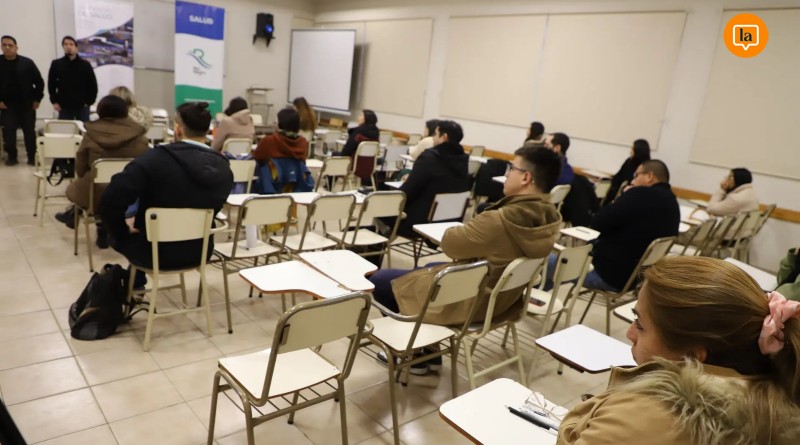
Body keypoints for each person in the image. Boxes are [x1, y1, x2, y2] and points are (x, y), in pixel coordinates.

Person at [557, 256, 800, 444]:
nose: (630, 334)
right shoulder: (776, 403)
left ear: (692, 357)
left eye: (640, 325)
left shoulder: (644, 418)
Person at [370, 145, 562, 373]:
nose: (507, 173)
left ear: (526, 178)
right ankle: (428, 351)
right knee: (430, 266)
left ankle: (413, 354)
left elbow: (451, 245)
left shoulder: (498, 220)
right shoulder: (550, 218)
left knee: (379, 280)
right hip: (504, 301)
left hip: (473, 302)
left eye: (511, 168)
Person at [99, 102, 232, 275]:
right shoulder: (224, 168)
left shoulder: (152, 160)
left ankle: (134, 282)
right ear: (207, 130)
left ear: (178, 129)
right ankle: (136, 281)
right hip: (199, 252)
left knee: (122, 234)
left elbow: (110, 201)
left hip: (151, 252)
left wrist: (122, 231)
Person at [548, 160, 679, 292]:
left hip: (607, 275)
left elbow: (597, 223)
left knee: (546, 261)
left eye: (636, 175)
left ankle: (537, 300)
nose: (633, 181)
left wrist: (622, 197)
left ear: (649, 176)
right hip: (635, 280)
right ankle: (540, 298)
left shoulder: (639, 194)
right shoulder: (672, 203)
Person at [54, 95, 148, 247]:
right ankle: (106, 228)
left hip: (95, 193)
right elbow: (145, 164)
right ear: (125, 111)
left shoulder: (90, 134)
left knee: (88, 186)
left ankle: (92, 223)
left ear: (100, 111)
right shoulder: (139, 136)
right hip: (129, 195)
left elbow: (80, 167)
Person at [395, 120, 469, 238]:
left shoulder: (430, 157)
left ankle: (377, 246)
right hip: (448, 220)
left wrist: (393, 201)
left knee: (381, 210)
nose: (433, 138)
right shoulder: (463, 159)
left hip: (419, 219)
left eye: (435, 134)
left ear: (444, 137)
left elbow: (410, 189)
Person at [0, 35, 44, 166]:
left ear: (16, 47)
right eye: (4, 45)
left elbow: (39, 82)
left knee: (29, 132)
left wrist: (37, 99)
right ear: (1, 47)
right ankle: (12, 157)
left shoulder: (27, 63)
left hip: (27, 105)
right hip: (7, 106)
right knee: (9, 133)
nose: (7, 48)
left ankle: (32, 157)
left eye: (10, 45)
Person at [252, 107, 313, 194]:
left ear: (280, 123)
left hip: (270, 188)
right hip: (295, 189)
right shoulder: (302, 142)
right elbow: (303, 162)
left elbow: (257, 158)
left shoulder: (268, 141)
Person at [47, 36, 97, 122]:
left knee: (83, 128)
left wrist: (89, 102)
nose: (68, 46)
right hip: (64, 105)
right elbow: (51, 84)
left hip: (82, 105)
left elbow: (92, 85)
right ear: (63, 47)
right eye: (66, 44)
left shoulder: (85, 65)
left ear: (76, 47)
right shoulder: (56, 64)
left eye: (71, 44)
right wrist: (54, 101)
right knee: (66, 128)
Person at [605, 138, 650, 204]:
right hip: (618, 193)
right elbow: (618, 176)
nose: (630, 151)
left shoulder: (646, 167)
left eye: (632, 149)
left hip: (630, 197)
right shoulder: (629, 161)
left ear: (638, 151)